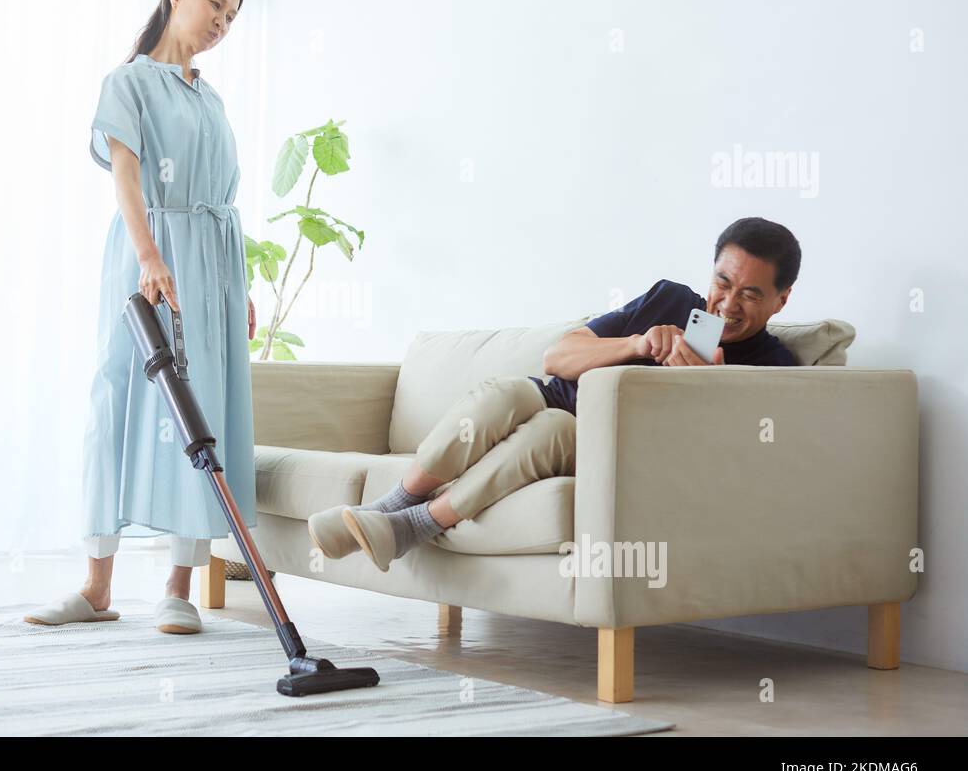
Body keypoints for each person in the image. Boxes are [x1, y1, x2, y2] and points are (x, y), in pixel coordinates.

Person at [310, 216, 801, 572]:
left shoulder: (775, 366)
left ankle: (410, 527)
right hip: (551, 395)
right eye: (723, 282)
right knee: (501, 397)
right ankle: (387, 508)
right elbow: (556, 357)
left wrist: (709, 390)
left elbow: (738, 453)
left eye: (751, 294)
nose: (728, 304)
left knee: (549, 430)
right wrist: (635, 342)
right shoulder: (668, 298)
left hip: (601, 440)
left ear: (782, 299)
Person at [25, 0, 256, 634]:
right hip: (148, 259)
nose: (221, 23)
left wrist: (237, 286)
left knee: (197, 410)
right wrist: (150, 257)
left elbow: (222, 201)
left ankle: (177, 588)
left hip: (210, 270)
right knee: (116, 398)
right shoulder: (127, 83)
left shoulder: (211, 100)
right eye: (215, 5)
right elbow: (125, 173)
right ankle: (96, 588)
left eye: (233, 18)